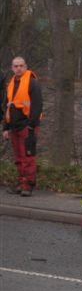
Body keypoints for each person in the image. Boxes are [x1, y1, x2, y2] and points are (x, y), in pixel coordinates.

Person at [2, 57, 43, 196]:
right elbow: (7, 106)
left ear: (26, 66)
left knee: (28, 157)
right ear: (12, 68)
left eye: (21, 65)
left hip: (27, 126)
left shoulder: (32, 83)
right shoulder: (11, 83)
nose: (18, 68)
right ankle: (21, 183)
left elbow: (37, 106)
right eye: (15, 66)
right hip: (14, 126)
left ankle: (28, 185)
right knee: (19, 158)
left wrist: (31, 126)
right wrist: (6, 127)